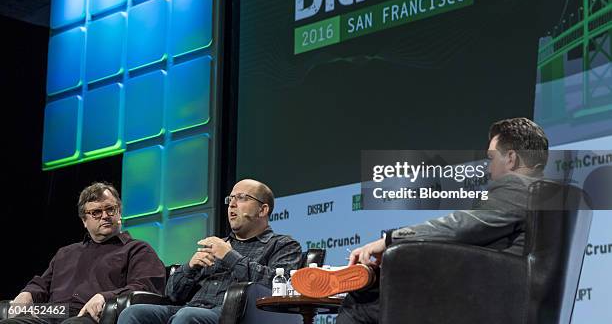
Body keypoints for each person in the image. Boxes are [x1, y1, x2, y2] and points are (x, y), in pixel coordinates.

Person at [292, 117, 549, 324]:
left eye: (492, 158)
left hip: (480, 303)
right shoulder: (554, 196)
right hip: (505, 299)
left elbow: (460, 227)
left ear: (512, 158)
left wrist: (391, 240)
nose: (488, 167)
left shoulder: (518, 187)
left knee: (361, 303)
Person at [118, 179, 302, 324]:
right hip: (189, 308)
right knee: (133, 313)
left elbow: (280, 286)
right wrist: (190, 267)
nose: (232, 205)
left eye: (242, 198)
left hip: (236, 316)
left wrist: (230, 256)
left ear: (263, 210)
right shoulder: (215, 244)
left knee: (188, 317)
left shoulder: (283, 245)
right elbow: (172, 294)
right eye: (230, 199)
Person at [1, 182, 166, 324]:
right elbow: (42, 284)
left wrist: (105, 296)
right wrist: (27, 293)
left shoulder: (137, 249)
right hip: (52, 312)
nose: (105, 216)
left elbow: (145, 288)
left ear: (119, 214)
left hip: (93, 314)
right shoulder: (66, 253)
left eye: (111, 209)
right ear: (84, 221)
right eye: (96, 212)